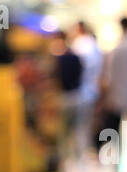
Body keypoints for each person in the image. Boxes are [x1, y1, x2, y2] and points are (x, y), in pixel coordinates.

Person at [71, 21, 103, 158]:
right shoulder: (93, 45)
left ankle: (82, 152)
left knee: (81, 125)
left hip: (82, 90)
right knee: (87, 124)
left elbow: (80, 69)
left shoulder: (82, 44)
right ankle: (86, 151)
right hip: (91, 90)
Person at [53, 31, 84, 163]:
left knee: (64, 131)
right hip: (77, 96)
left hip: (66, 97)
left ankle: (65, 158)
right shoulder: (76, 57)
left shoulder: (60, 59)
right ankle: (77, 158)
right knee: (76, 129)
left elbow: (57, 78)